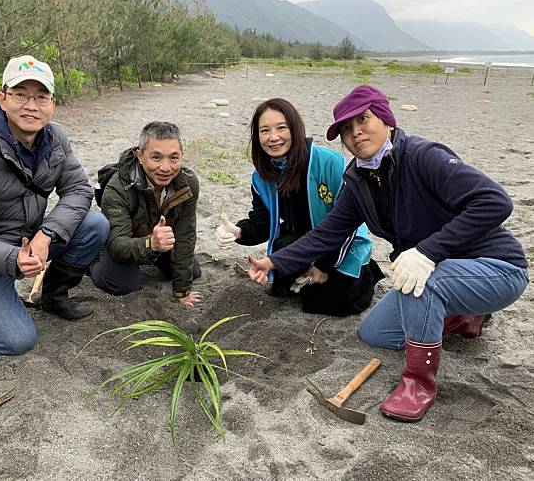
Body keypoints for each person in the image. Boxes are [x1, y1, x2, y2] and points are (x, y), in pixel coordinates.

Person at [246, 85, 529, 422]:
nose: (356, 133)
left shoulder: (422, 156)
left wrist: (427, 252)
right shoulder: (358, 180)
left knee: (418, 280)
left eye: (363, 120)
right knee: (374, 333)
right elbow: (327, 234)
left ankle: (418, 384)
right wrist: (275, 261)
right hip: (442, 274)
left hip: (496, 268)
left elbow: (495, 201)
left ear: (387, 119)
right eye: (347, 129)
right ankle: (463, 316)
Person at [0, 55, 109, 355]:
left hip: (26, 239)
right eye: (21, 94)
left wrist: (47, 234)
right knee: (17, 342)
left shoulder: (55, 139)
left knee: (95, 225)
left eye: (41, 96)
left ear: (52, 103)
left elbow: (78, 189)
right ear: (2, 99)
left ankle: (53, 296)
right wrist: (15, 258)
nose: (31, 105)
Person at [216, 98, 383, 316]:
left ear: (295, 129)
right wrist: (238, 232)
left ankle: (365, 273)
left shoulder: (331, 163)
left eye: (281, 128)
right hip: (297, 247)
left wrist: (322, 267)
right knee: (284, 273)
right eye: (265, 131)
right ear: (257, 137)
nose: (273, 137)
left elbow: (347, 228)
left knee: (327, 303)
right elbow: (263, 223)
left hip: (339, 246)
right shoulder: (262, 176)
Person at [89, 121, 201, 307]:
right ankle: (91, 259)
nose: (166, 168)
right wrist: (151, 243)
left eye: (174, 158)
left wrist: (182, 291)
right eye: (156, 158)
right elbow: (118, 245)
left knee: (193, 272)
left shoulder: (188, 183)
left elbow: (185, 236)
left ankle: (153, 252)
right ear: (140, 156)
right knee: (123, 285)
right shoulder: (117, 187)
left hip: (156, 239)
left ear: (182, 156)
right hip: (122, 239)